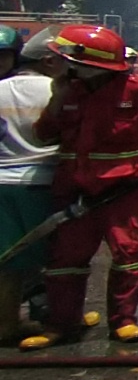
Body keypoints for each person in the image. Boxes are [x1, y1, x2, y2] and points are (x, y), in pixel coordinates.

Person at [19, 25, 138, 349]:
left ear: (88, 63)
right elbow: (43, 136)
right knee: (64, 260)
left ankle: (123, 322)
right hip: (76, 191)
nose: (62, 65)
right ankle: (61, 326)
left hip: (127, 191)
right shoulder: (66, 91)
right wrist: (56, 102)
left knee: (127, 254)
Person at [0, 27, 59, 343]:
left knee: (8, 259)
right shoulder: (56, 89)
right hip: (43, 182)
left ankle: (7, 324)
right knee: (54, 258)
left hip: (1, 184)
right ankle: (55, 320)